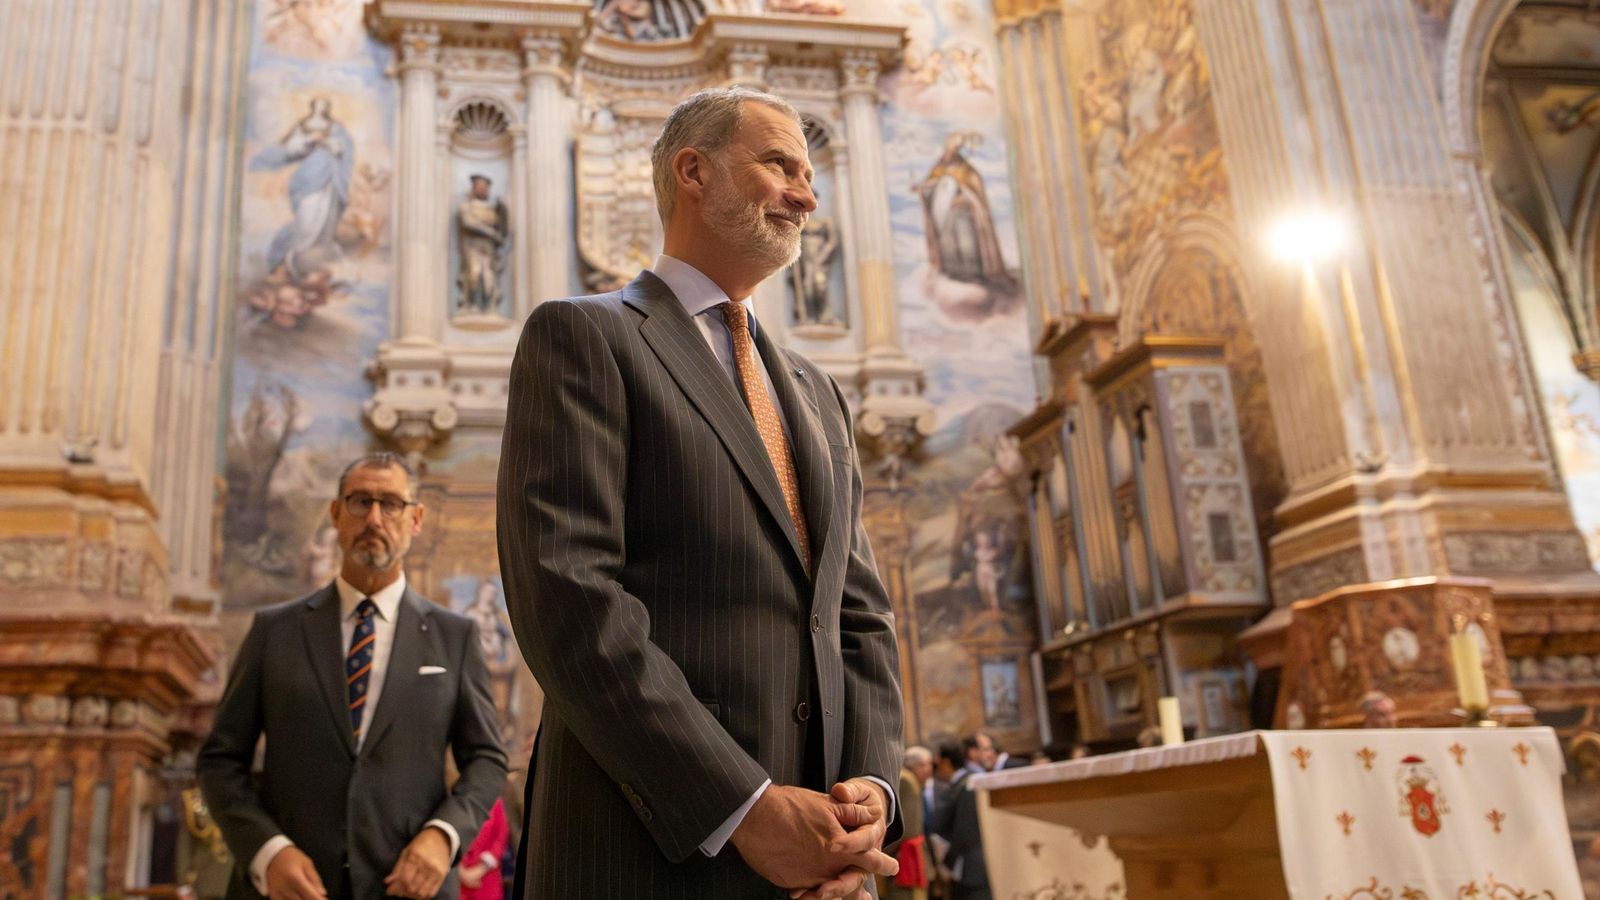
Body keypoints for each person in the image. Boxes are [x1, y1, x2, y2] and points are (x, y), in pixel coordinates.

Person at [497, 86, 904, 899]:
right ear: (694, 171)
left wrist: (870, 794)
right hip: (645, 851)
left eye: (809, 174)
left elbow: (857, 613)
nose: (806, 195)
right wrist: (745, 806)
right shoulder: (586, 336)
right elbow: (568, 599)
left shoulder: (819, 394)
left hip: (819, 860)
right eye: (780, 165)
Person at [199, 453, 507, 900]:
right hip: (289, 889)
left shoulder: (455, 637)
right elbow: (220, 761)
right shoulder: (274, 631)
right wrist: (268, 852)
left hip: (408, 886)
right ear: (336, 514)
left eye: (391, 504)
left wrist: (443, 836)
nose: (374, 518)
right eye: (361, 501)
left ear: (417, 519)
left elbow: (487, 760)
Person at [881, 747, 931, 900]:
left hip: (909, 853)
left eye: (929, 764)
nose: (928, 770)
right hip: (905, 858)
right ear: (911, 765)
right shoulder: (906, 781)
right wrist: (884, 851)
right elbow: (906, 828)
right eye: (922, 765)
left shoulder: (909, 780)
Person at [459, 798, 509, 900]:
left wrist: (481, 869)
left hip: (486, 881)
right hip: (456, 881)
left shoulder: (496, 802)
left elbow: (501, 838)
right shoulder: (456, 800)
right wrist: (461, 873)